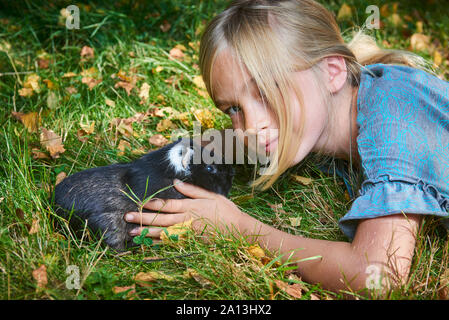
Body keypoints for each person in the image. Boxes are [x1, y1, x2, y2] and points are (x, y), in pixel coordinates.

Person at [123, 0, 449, 296]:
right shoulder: (334, 110)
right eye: (233, 108)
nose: (250, 126)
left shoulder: (394, 113)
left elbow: (377, 276)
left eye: (265, 91)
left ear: (332, 71)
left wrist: (238, 227)